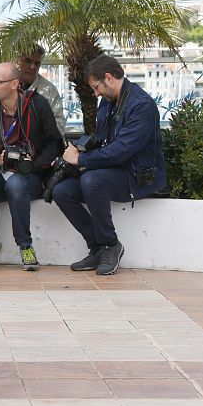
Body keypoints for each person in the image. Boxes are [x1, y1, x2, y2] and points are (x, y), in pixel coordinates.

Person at [52, 55, 166, 275]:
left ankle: (111, 245)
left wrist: (81, 160)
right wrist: (78, 148)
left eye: (96, 87)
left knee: (92, 180)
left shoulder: (142, 105)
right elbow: (102, 138)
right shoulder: (107, 101)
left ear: (109, 78)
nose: (96, 94)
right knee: (61, 191)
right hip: (112, 172)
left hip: (138, 176)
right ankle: (97, 247)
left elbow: (122, 149)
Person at [0, 63, 63, 270]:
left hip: (30, 176)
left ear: (14, 84)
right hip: (0, 173)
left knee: (16, 185)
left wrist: (34, 164)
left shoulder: (37, 105)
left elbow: (54, 143)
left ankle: (25, 246)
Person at [15, 44, 65, 136]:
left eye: (37, 63)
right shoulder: (5, 84)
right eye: (28, 61)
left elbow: (59, 125)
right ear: (18, 61)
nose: (32, 67)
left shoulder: (49, 90)